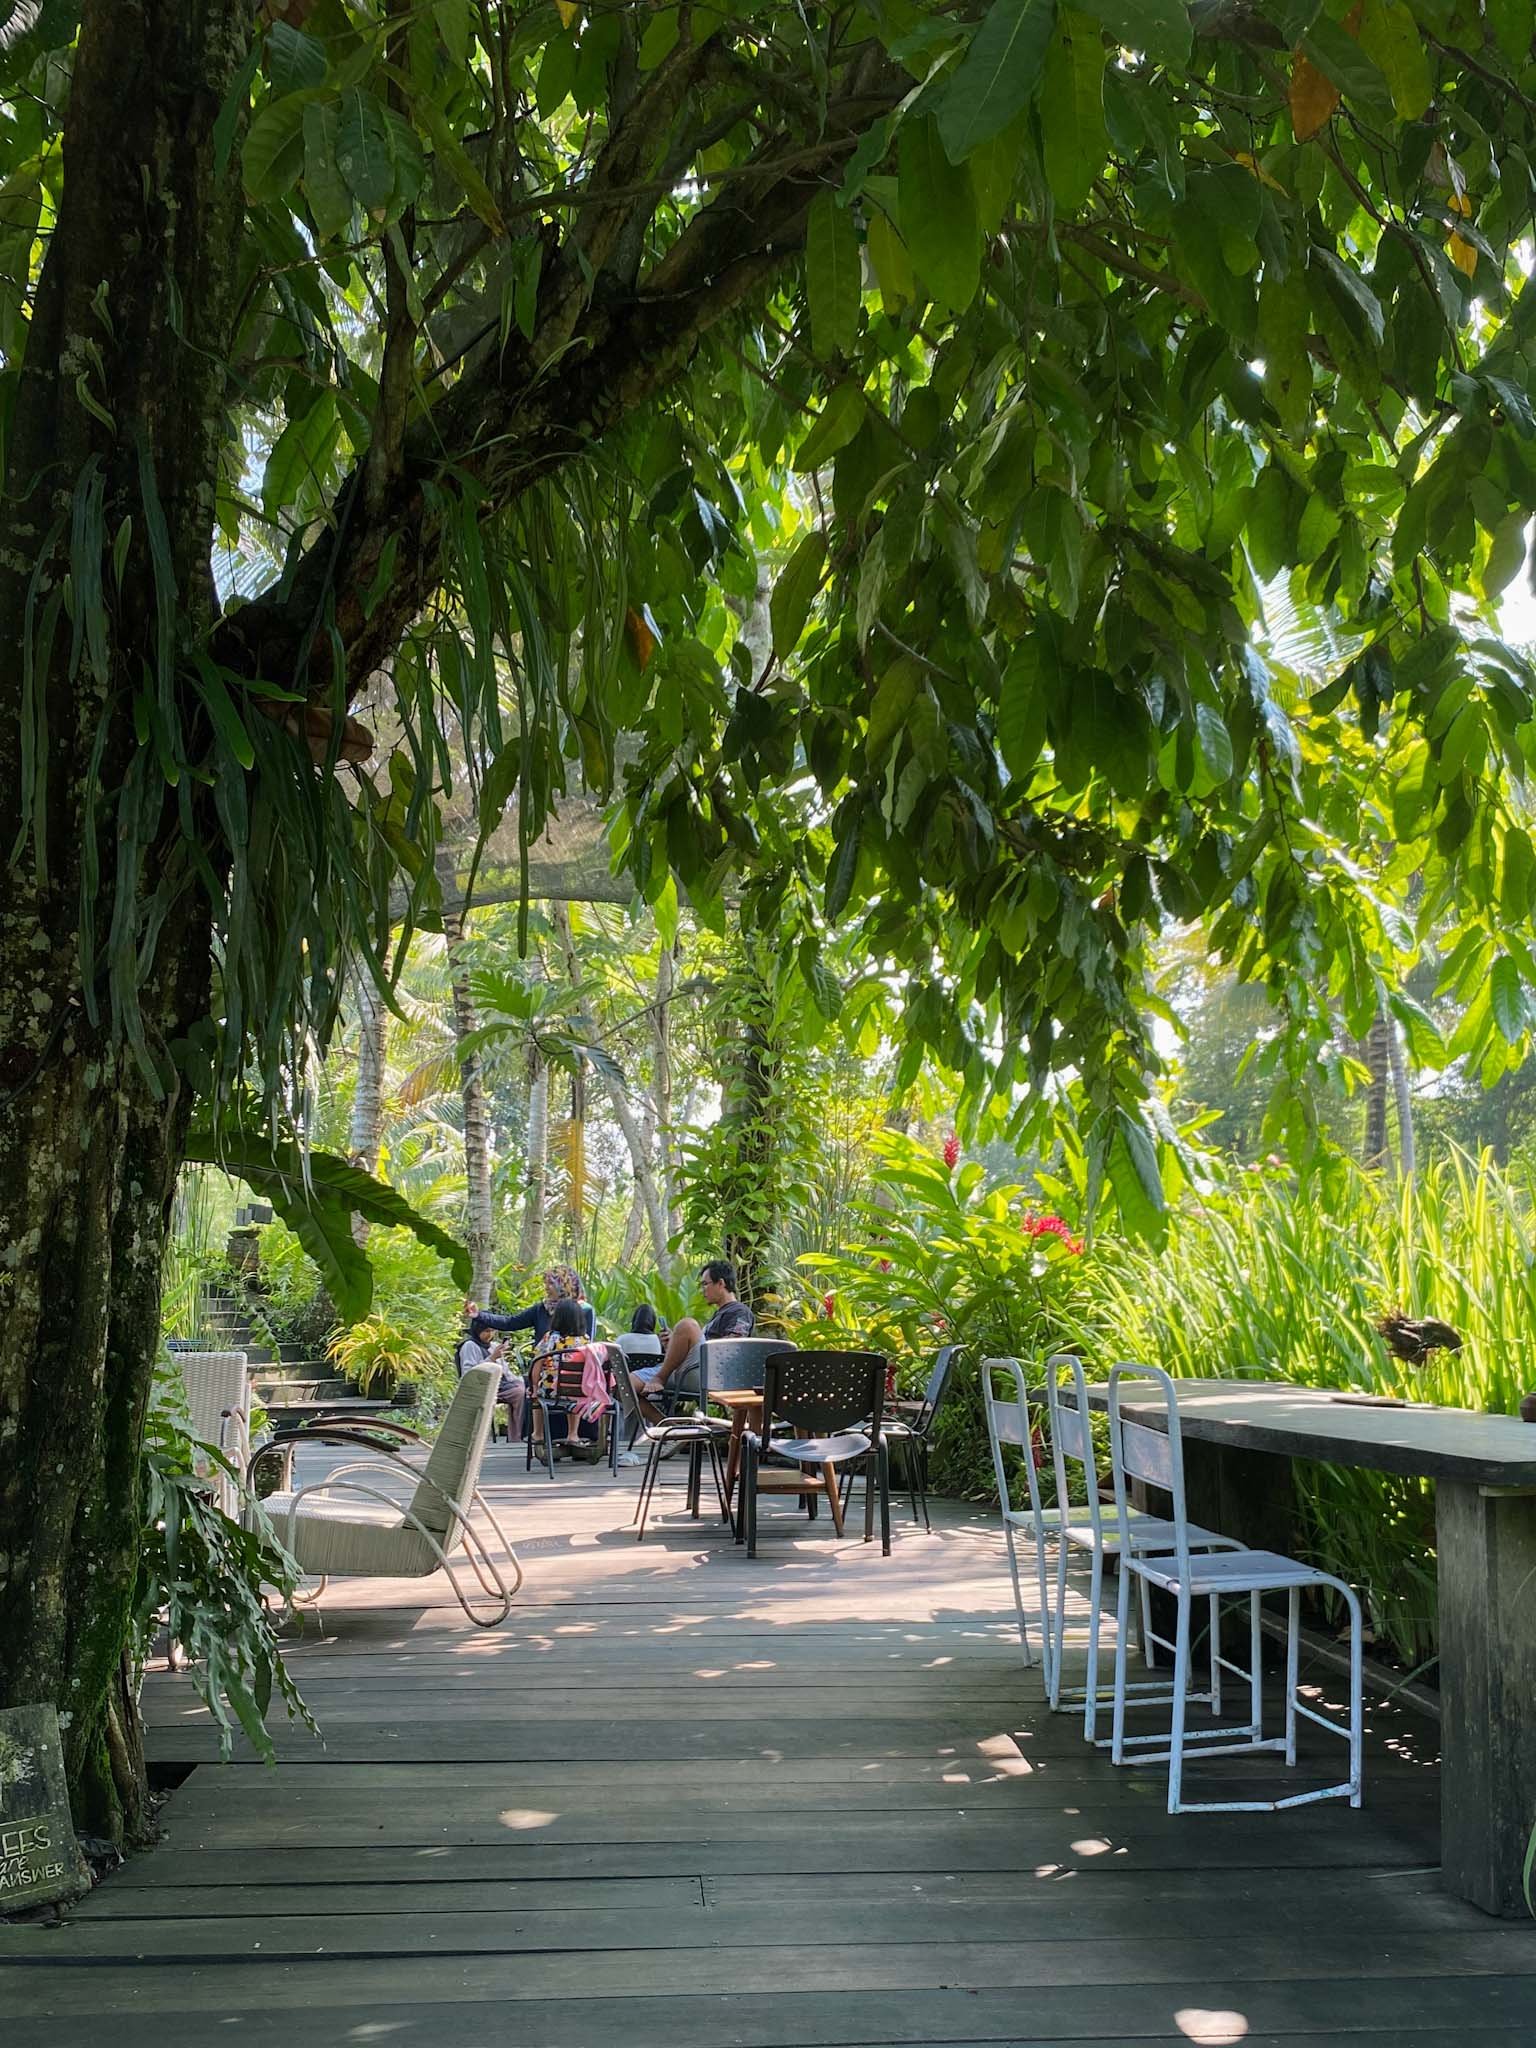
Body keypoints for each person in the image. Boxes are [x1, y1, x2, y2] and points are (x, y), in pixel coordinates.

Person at [628, 1260, 754, 1424]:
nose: (703, 1290)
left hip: (709, 1372)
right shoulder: (718, 1314)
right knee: (623, 1385)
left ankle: (660, 1378)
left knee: (688, 1325)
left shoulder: (740, 1311)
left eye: (705, 1284)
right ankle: (667, 1425)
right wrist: (673, 1344)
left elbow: (734, 1345)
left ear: (721, 1283)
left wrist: (688, 1335)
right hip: (687, 1369)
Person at [530, 1296, 610, 1460]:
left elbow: (536, 1364)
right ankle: (573, 1434)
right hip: (578, 1391)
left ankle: (538, 1433)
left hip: (551, 1391)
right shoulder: (585, 1341)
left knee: (535, 1397)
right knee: (575, 1396)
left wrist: (534, 1388)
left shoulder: (549, 1338)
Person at [474, 1264, 597, 1346]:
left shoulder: (584, 1309)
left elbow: (588, 1344)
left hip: (575, 1370)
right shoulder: (542, 1309)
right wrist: (478, 1315)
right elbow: (510, 1323)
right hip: (544, 1367)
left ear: (564, 1285)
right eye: (546, 1283)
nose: (546, 1288)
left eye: (551, 1283)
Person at [456, 1313, 526, 1444]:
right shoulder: (470, 1346)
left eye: (492, 1331)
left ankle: (518, 1436)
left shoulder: (493, 1345)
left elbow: (506, 1372)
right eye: (486, 1331)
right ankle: (517, 1437)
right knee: (520, 1393)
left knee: (524, 1390)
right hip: (481, 1387)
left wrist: (520, 1381)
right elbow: (469, 1373)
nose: (490, 1334)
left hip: (500, 1384)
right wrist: (492, 1358)